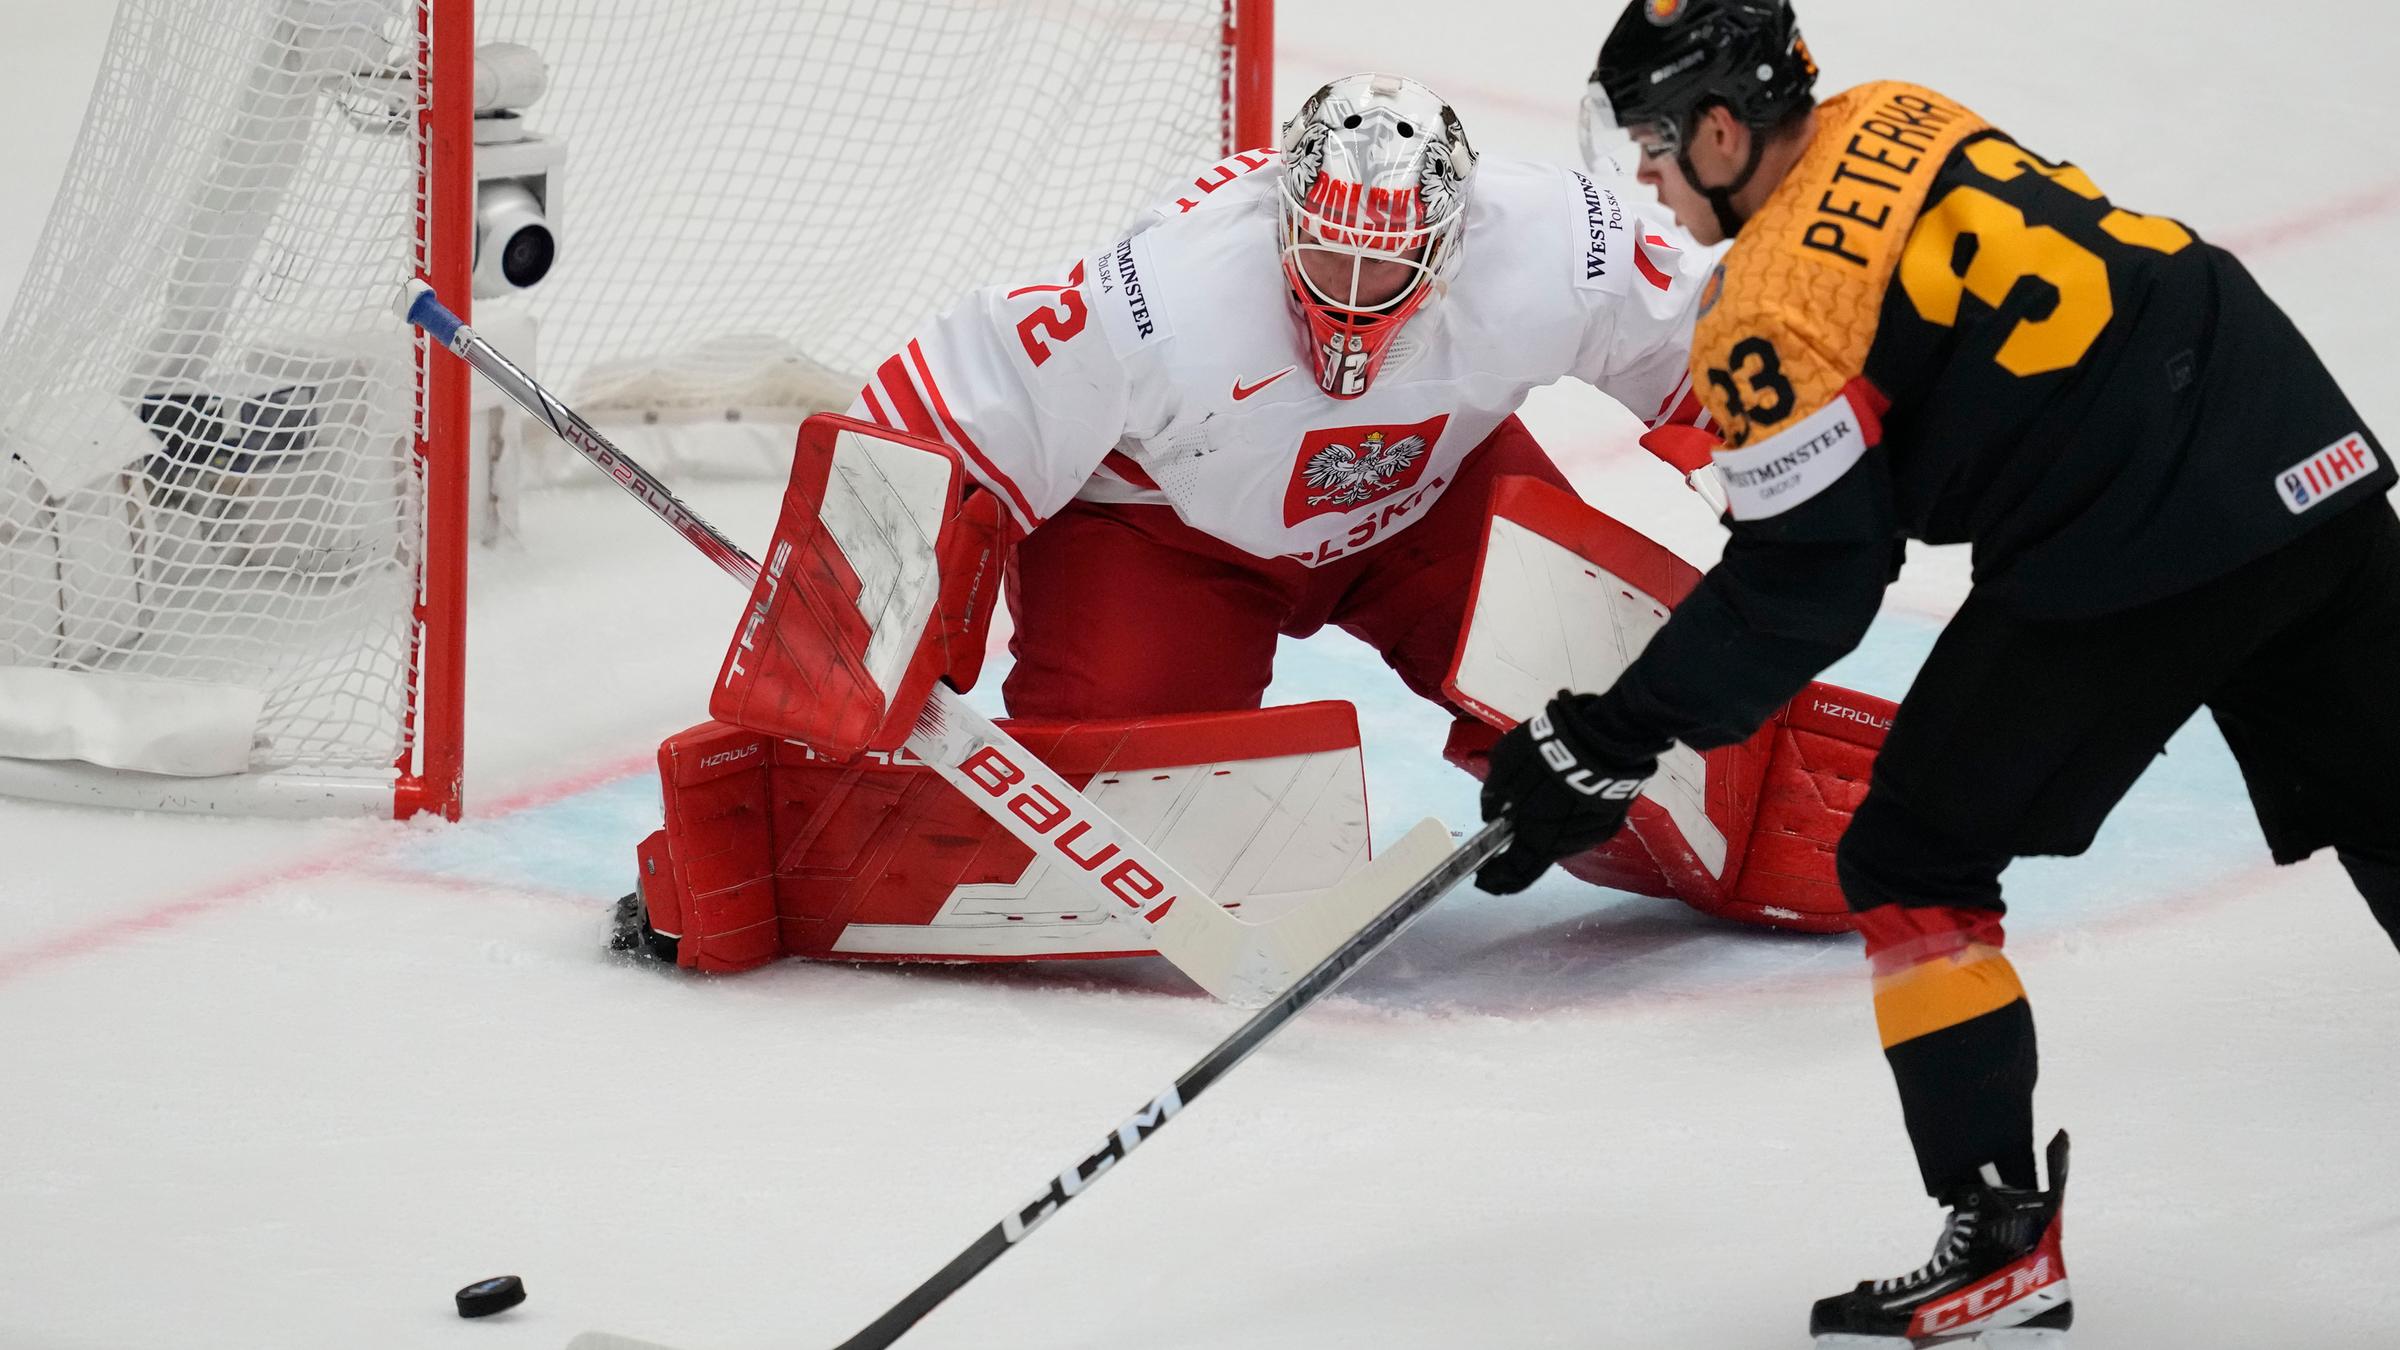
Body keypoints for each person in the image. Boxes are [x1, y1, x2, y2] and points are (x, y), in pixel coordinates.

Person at [1476, 0, 2400, 1343]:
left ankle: (1999, 1234)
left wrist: (1612, 733)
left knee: (1912, 853)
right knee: (2386, 795)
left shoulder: (1769, 309)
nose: (1646, 178)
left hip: (2136, 525)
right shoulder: (1897, 110)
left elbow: (1812, 590)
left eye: (1659, 145)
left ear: (1727, 132)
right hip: (2289, 425)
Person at [841, 71, 1856, 933]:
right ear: (1282, 214)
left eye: (1390, 261)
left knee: (1611, 712)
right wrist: (846, 624)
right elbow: (950, 403)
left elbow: (1719, 349)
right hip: (1162, 535)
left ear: (1456, 239)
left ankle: (1774, 817)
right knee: (1132, 822)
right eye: (1327, 251)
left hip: (1428, 496)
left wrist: (1807, 492)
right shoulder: (1168, 286)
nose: (1353, 288)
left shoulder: (1554, 238)